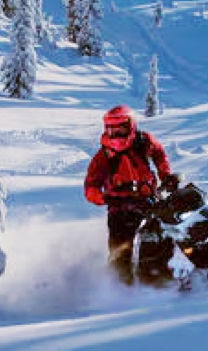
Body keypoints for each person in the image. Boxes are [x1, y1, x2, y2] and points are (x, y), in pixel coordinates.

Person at [84, 105, 177, 285]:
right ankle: (118, 285)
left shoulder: (143, 141)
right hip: (119, 207)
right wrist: (102, 197)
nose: (116, 133)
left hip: (147, 200)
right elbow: (90, 185)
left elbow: (159, 154)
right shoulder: (103, 155)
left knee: (165, 232)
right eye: (111, 129)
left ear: (131, 126)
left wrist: (165, 175)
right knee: (121, 246)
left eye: (120, 128)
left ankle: (165, 273)